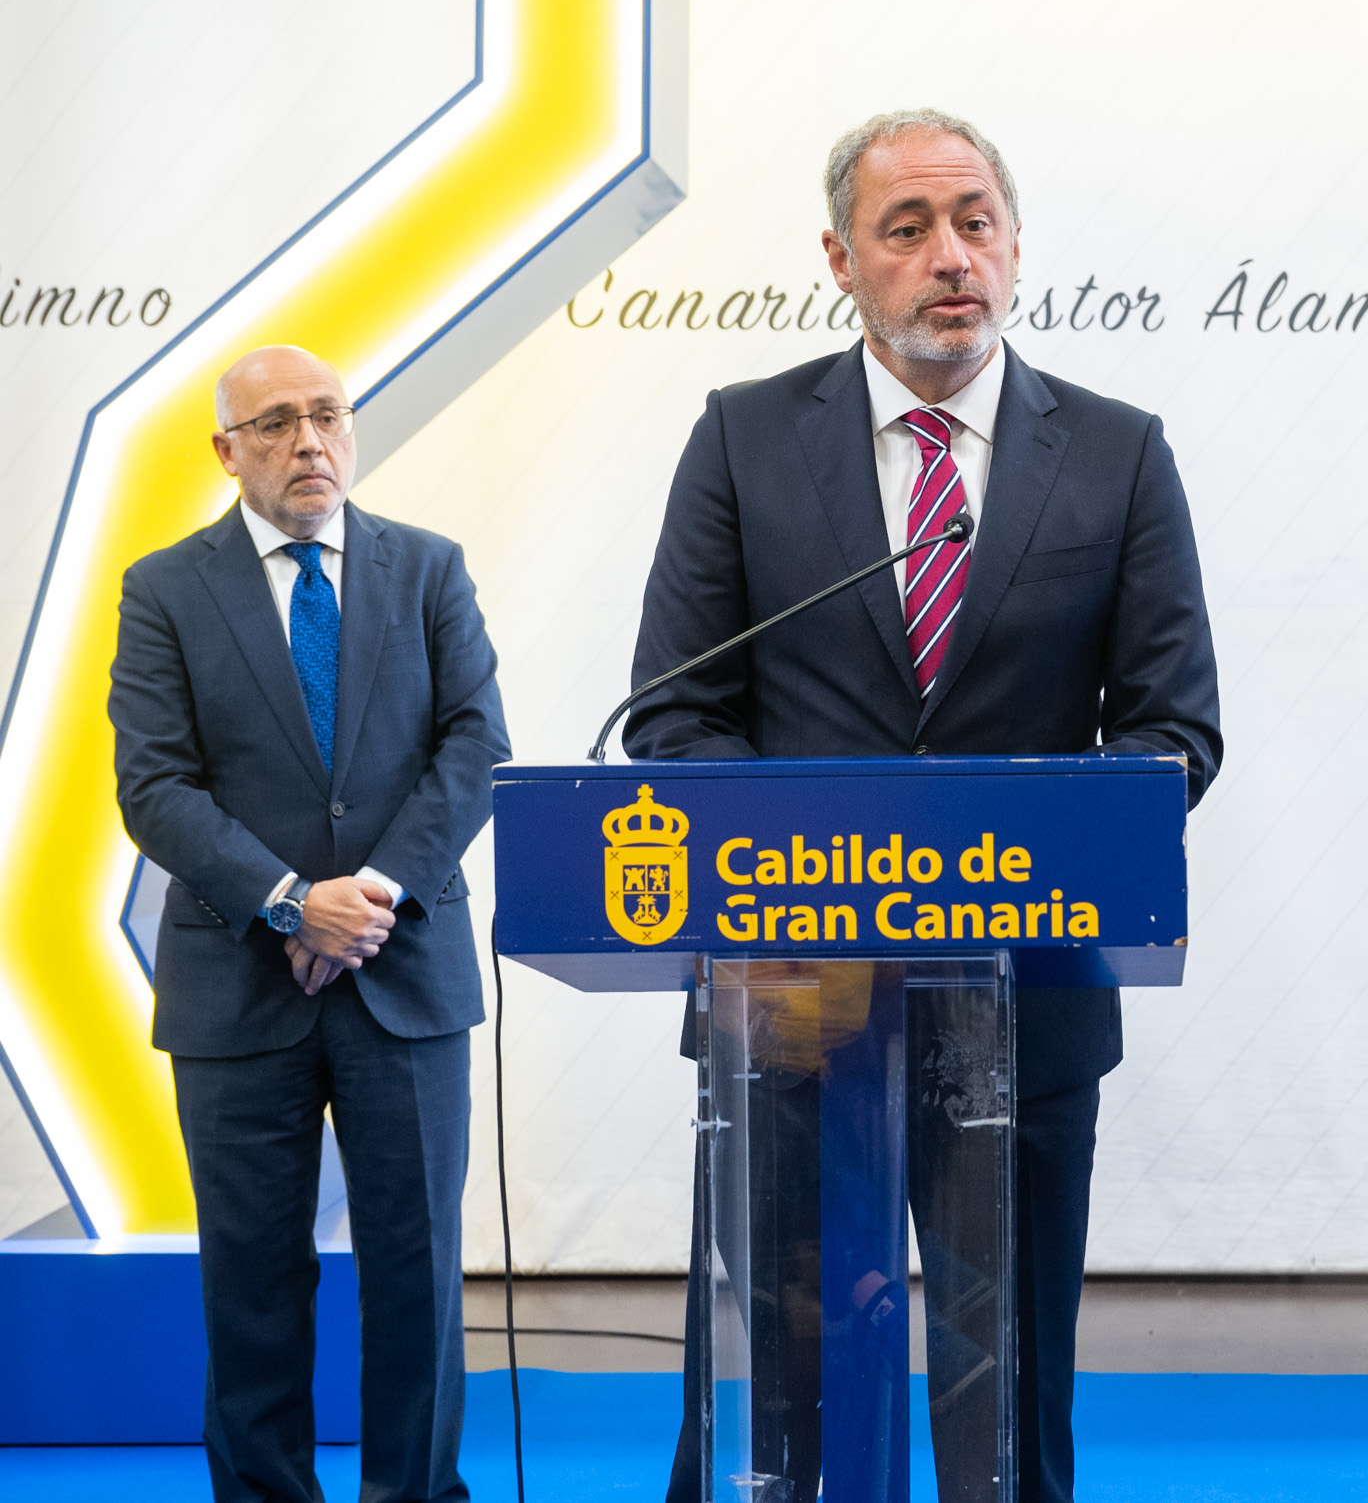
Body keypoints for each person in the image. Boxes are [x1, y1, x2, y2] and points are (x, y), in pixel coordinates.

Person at [630, 108, 1222, 1503]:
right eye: (907, 228)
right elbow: (676, 715)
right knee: (786, 1381)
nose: (950, 255)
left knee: (1004, 1380)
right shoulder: (744, 438)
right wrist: (829, 876)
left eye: (975, 221)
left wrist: (1001, 860)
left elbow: (1173, 728)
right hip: (791, 999)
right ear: (842, 259)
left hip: (1024, 1000)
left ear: (1015, 243)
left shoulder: (1118, 451)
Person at [108, 344, 510, 1503]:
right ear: (225, 450)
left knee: (417, 1270)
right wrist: (291, 900)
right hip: (238, 987)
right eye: (276, 422)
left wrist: (368, 896)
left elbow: (476, 745)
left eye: (327, 414)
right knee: (251, 1278)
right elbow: (155, 785)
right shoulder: (164, 588)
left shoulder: (428, 569)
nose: (309, 441)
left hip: (404, 968)